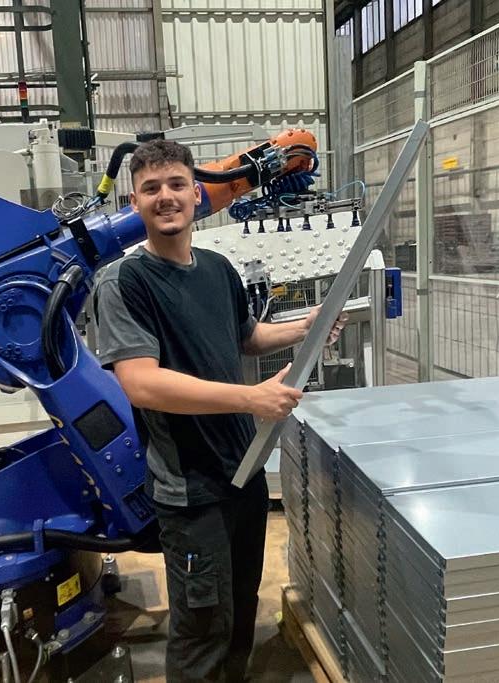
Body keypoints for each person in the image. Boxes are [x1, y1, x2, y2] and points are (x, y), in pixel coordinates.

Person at [95, 139, 347, 682]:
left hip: (243, 473)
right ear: (135, 203)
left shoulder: (217, 267)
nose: (166, 197)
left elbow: (246, 337)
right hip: (192, 492)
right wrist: (251, 399)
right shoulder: (124, 282)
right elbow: (141, 383)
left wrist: (305, 328)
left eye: (176, 184)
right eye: (151, 189)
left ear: (196, 193)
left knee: (239, 609)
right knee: (202, 627)